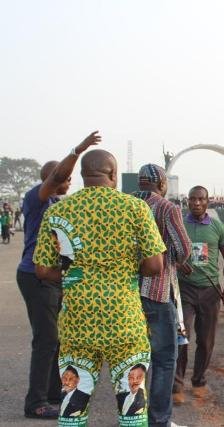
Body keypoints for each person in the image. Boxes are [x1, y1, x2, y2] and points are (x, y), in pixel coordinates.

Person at [33, 149, 166, 426]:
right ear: (114, 175)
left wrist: (74, 274)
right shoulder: (134, 208)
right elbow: (155, 265)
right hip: (125, 322)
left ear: (82, 176)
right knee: (132, 409)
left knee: (72, 407)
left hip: (77, 323)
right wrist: (126, 269)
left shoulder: (58, 211)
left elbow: (43, 270)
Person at [17, 131, 100, 420]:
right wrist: (78, 151)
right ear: (52, 179)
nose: (69, 182)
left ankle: (53, 392)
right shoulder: (37, 199)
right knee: (46, 339)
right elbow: (56, 177)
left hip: (52, 277)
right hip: (35, 276)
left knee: (58, 338)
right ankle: (36, 402)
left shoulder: (57, 205)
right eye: (65, 179)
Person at [133, 164, 192, 427]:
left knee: (135, 358)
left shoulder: (126, 204)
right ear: (163, 184)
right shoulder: (168, 208)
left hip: (126, 293)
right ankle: (159, 419)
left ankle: (132, 416)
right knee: (165, 358)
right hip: (156, 291)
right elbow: (182, 249)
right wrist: (173, 259)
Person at [173, 186, 224, 404]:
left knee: (206, 341)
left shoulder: (218, 227)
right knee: (182, 336)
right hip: (184, 290)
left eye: (201, 199)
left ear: (208, 202)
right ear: (186, 201)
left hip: (210, 291)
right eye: (192, 199)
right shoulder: (179, 226)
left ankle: (199, 380)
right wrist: (179, 265)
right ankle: (177, 384)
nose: (196, 203)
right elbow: (166, 254)